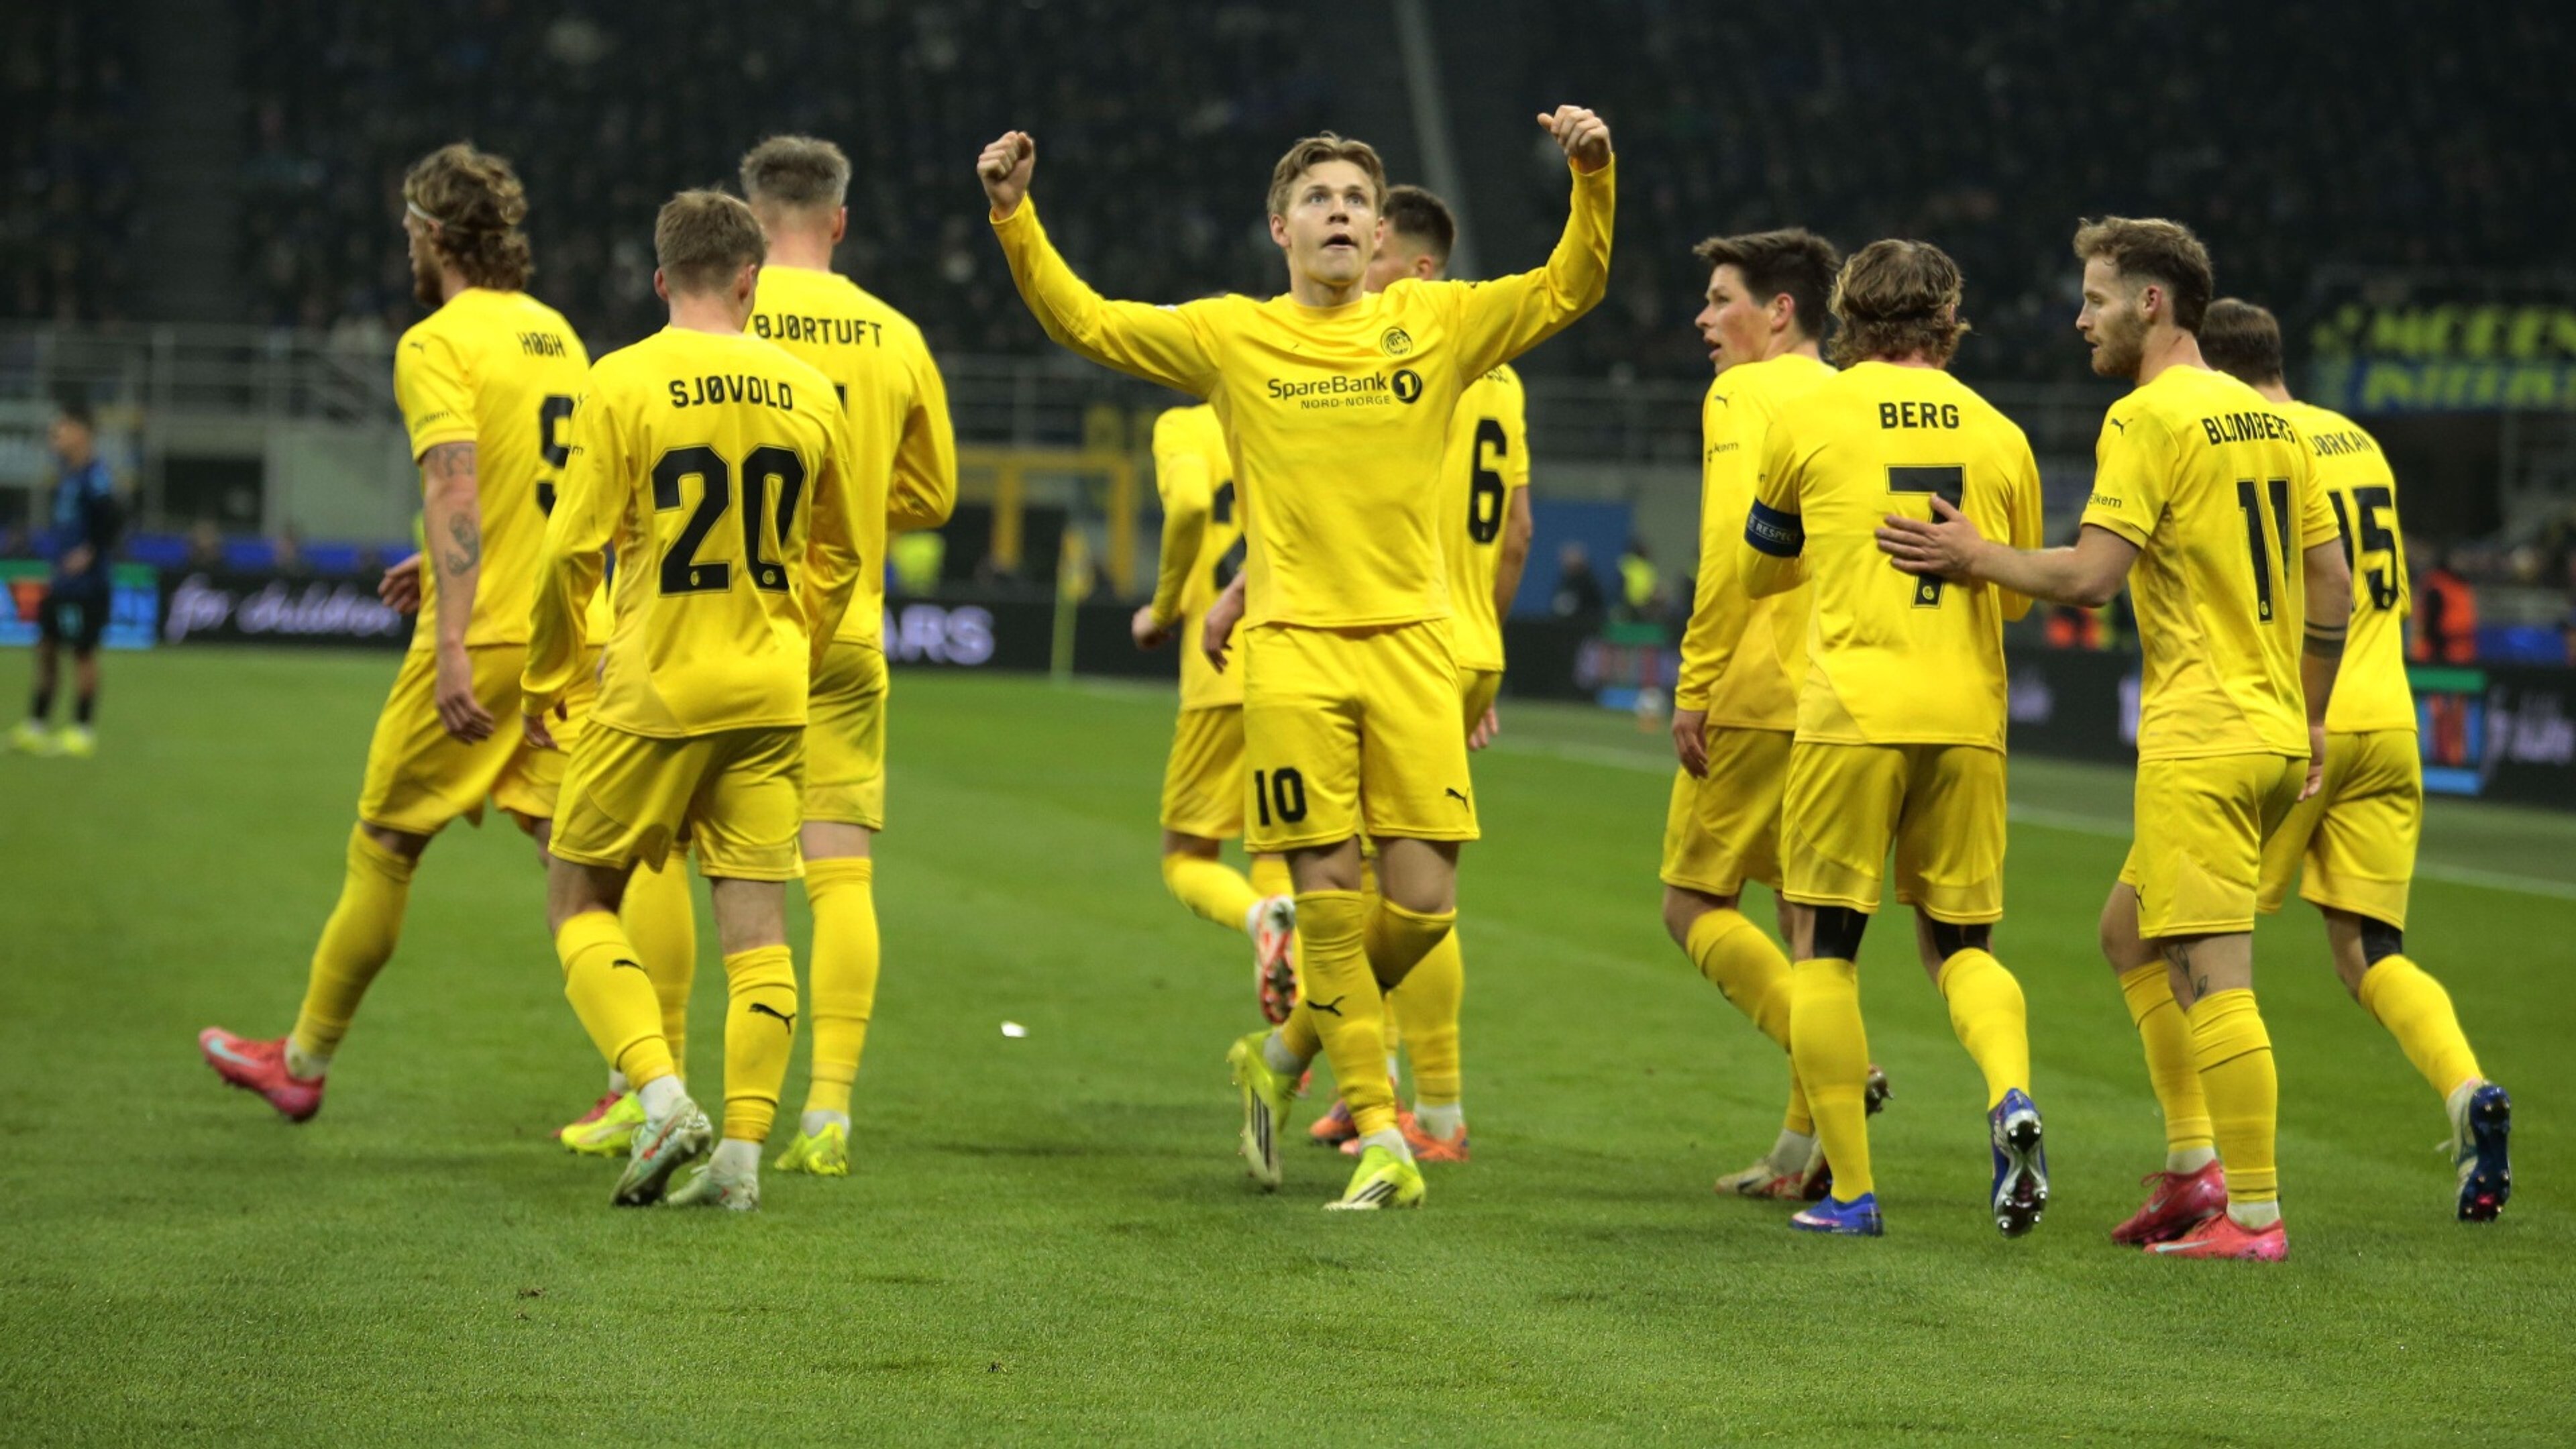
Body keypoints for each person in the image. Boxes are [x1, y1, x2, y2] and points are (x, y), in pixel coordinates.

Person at [980, 105, 1612, 1209]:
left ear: (1380, 235)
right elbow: (1088, 322)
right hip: (1289, 656)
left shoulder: (1436, 322)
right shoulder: (1234, 335)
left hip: (1414, 649)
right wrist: (1013, 216)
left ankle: (1278, 1059)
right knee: (1324, 899)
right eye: (1317, 198)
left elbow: (1572, 286)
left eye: (1357, 199)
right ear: (1281, 229)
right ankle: (1383, 1139)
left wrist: (1593, 178)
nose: (1340, 212)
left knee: (1421, 908)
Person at [1880, 217, 2352, 1261]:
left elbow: (2092, 579)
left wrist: (1974, 555)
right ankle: (2193, 1170)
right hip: (2273, 729)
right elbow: (2333, 584)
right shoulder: (2278, 422)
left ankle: (2255, 1217)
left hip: (2202, 733)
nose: (2080, 319)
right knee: (2127, 935)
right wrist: (2313, 711)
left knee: (2216, 975)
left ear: (2152, 302)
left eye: (2095, 298)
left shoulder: (2145, 418)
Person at [200, 144, 696, 1124]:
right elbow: (555, 492)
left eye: (408, 232)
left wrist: (455, 637)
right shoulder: (556, 336)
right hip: (572, 636)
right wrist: (439, 562)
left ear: (433, 235)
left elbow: (457, 486)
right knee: (600, 859)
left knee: (387, 842)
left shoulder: (436, 342)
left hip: (489, 636)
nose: (407, 250)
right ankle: (643, 1085)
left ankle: (302, 1061)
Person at [523, 188, 863, 1212]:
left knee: (578, 896)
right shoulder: (810, 390)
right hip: (770, 693)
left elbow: (568, 551)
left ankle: (663, 1096)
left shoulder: (623, 379)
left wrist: (549, 677)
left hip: (657, 687)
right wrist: (796, 645)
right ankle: (741, 1165)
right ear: (752, 281)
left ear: (662, 278)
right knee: (758, 934)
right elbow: (843, 557)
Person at [1736, 239, 2047, 1238]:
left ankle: (1854, 1194)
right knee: (1963, 947)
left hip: (1851, 715)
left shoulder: (1808, 416)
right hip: (1967, 720)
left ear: (1847, 316)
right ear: (1948, 322)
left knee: (1826, 950)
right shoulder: (2002, 435)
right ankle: (2009, 1095)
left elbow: (1759, 570)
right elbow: (2016, 593)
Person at [2202, 298, 2510, 1221]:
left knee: (2195, 940)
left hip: (2304, 718)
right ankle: (2466, 1089)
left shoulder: (2251, 444)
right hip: (2391, 720)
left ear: (2214, 372)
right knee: (2368, 951)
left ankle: (2213, 1169)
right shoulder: (2359, 442)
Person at [727, 134, 961, 1179]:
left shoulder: (720, 316)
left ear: (748, 217)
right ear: (840, 220)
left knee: (705, 867)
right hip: (848, 633)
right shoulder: (895, 334)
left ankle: (669, 1093)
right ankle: (828, 1111)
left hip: (728, 628)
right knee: (840, 875)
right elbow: (935, 493)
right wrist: (856, 504)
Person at [1291, 182, 1536, 1163]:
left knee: (1397, 889)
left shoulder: (1419, 354)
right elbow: (1516, 530)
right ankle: (1374, 1085)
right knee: (1385, 881)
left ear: (1423, 267)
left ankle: (1429, 1109)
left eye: (1383, 252)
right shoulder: (1502, 374)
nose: (1364, 265)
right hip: (1463, 643)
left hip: (1404, 638)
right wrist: (1489, 650)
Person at [1657, 227, 1868, 1202]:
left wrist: (1696, 683)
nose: (1703, 319)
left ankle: (1838, 1063)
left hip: (1752, 686)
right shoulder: (1849, 397)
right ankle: (1803, 1152)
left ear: (1780, 310)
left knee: (1692, 904)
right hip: (1839, 692)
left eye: (1720, 299)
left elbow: (1731, 548)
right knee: (1806, 929)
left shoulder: (1742, 394)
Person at [1132, 396, 1301, 1024]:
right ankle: (1295, 1030)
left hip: (1222, 668)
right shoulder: (1292, 407)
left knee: (1185, 855)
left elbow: (1190, 504)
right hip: (1301, 668)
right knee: (1278, 852)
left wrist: (1164, 608)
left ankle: (1257, 919)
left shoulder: (1187, 425)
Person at [11, 400, 121, 757]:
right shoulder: (68, 474)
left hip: (87, 585)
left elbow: (114, 517)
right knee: (45, 648)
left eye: (62, 428)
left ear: (81, 433)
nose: (54, 434)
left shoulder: (95, 476)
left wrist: (90, 552)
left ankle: (82, 731)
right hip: (62, 581)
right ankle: (36, 726)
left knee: (82, 653)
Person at [1550, 539, 1605, 624]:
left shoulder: (1590, 584)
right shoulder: (1564, 582)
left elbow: (1597, 610)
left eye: (1574, 560)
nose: (1570, 563)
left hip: (1585, 626)